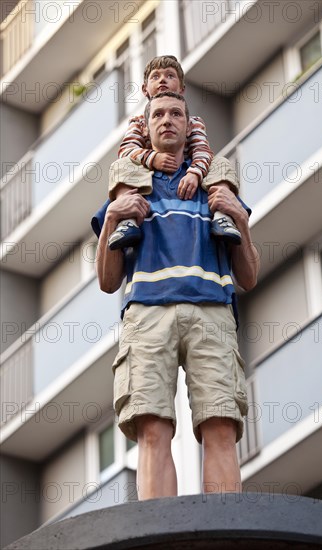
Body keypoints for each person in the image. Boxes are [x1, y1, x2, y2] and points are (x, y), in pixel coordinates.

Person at [93, 92, 260, 500]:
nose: (167, 120)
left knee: (220, 425)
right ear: (146, 128)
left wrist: (239, 215)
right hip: (149, 312)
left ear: (189, 126)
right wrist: (112, 218)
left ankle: (226, 531)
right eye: (159, 115)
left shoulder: (214, 188)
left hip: (213, 310)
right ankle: (159, 534)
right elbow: (107, 280)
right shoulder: (130, 190)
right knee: (152, 427)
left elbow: (249, 276)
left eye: (176, 114)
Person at [107, 55, 242, 250]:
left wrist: (195, 173)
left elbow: (202, 150)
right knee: (121, 167)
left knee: (219, 163)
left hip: (187, 172)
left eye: (170, 75)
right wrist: (153, 158)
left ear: (182, 89)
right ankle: (127, 220)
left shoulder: (193, 122)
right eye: (155, 77)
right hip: (148, 175)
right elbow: (127, 150)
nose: (162, 80)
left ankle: (223, 217)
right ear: (145, 89)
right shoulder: (138, 123)